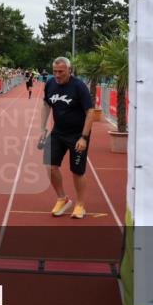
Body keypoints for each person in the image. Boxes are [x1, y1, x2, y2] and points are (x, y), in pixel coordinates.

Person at [38, 57, 95, 219]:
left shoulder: (79, 86)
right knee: (49, 165)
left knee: (77, 172)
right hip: (58, 132)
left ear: (69, 70)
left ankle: (80, 204)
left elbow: (90, 112)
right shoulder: (50, 84)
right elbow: (46, 105)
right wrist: (42, 128)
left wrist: (84, 137)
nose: (57, 75)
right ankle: (62, 199)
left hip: (78, 135)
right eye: (55, 71)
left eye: (61, 72)